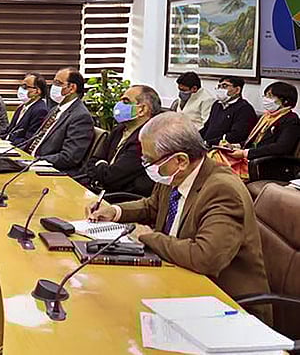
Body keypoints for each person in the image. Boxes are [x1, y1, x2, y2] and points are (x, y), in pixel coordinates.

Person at [86, 112, 271, 322]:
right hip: (176, 279)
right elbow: (152, 206)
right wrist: (115, 212)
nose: (145, 165)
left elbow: (205, 258)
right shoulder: (174, 175)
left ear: (181, 160)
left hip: (225, 306)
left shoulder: (222, 190)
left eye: (149, 160)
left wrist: (147, 236)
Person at [83, 85, 162, 197]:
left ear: (142, 109)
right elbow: (92, 161)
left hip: (121, 199)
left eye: (125, 101)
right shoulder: (119, 130)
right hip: (98, 191)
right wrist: (102, 167)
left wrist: (100, 166)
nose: (119, 105)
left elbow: (112, 177)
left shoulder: (147, 138)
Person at [213, 81, 300, 178]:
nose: (266, 99)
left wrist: (245, 153)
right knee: (214, 155)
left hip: (267, 164)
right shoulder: (266, 117)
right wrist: (234, 146)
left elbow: (281, 147)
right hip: (252, 158)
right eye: (265, 96)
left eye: (270, 96)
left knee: (216, 168)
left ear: (285, 101)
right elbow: (253, 141)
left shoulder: (291, 120)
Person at [26, 68, 94, 175]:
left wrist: (35, 161)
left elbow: (69, 157)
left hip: (51, 171)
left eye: (58, 83)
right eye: (53, 82)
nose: (53, 87)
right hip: (33, 162)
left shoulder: (80, 116)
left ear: (72, 88)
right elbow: (36, 139)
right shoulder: (55, 109)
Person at [199, 76, 258, 148]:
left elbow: (236, 135)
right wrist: (195, 138)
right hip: (207, 145)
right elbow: (207, 127)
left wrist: (209, 143)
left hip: (224, 148)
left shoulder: (244, 109)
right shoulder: (217, 104)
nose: (220, 89)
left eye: (224, 86)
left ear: (237, 90)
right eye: (219, 86)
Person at [3, 73, 49, 147]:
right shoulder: (21, 107)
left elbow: (29, 140)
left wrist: (9, 142)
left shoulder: (40, 110)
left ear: (37, 91)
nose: (21, 89)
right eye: (21, 86)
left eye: (25, 87)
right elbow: (9, 130)